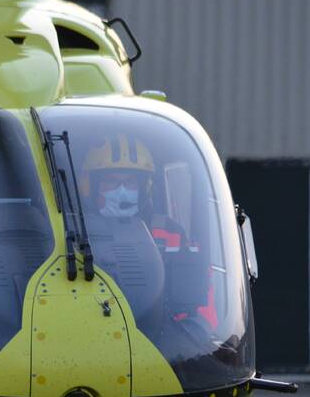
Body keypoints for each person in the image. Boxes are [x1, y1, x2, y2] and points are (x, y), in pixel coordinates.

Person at [81, 134, 217, 330]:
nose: (122, 191)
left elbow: (200, 306)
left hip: (158, 338)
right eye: (111, 181)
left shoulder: (170, 233)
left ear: (145, 188)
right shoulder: (73, 233)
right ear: (90, 187)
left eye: (131, 182)